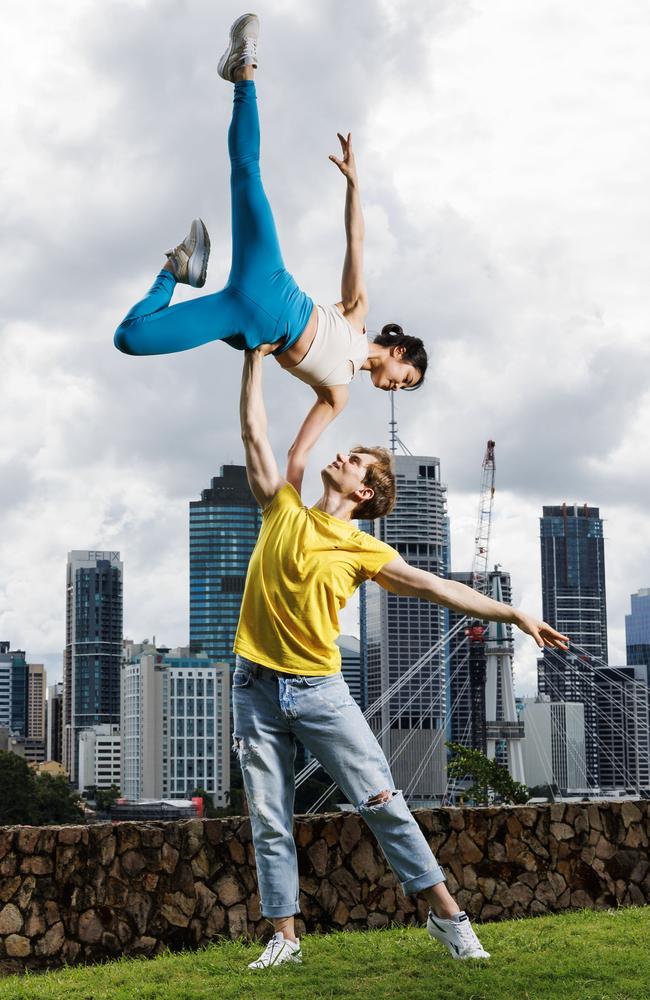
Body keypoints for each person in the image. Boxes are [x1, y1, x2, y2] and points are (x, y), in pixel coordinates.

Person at [233, 347, 569, 969]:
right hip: (253, 686)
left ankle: (448, 917)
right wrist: (253, 354)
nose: (343, 455)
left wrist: (515, 613)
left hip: (319, 691)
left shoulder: (363, 551)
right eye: (349, 450)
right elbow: (255, 430)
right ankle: (285, 938)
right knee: (269, 816)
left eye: (355, 459)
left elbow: (440, 587)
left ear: (363, 491)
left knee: (383, 801)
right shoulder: (281, 507)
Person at [113, 13, 427, 493]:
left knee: (129, 339)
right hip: (269, 282)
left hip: (245, 328)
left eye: (401, 388)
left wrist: (289, 516)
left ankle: (176, 267)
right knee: (247, 172)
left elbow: (298, 453)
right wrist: (354, 185)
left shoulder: (336, 394)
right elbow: (356, 241)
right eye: (405, 379)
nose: (395, 388)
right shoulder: (356, 314)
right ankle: (244, 72)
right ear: (400, 352)